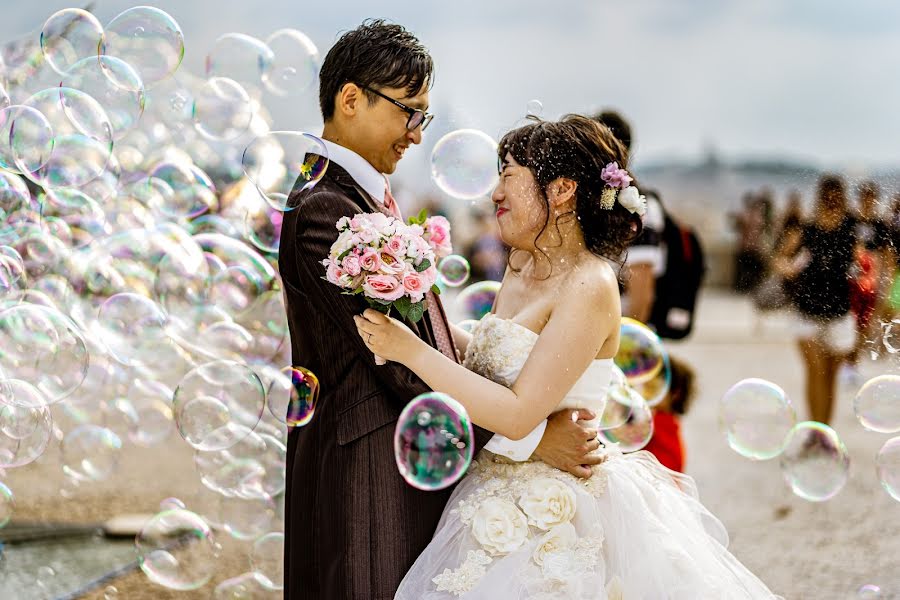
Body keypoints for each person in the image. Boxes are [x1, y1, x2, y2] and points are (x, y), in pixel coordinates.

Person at [357, 115, 780, 598]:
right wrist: (418, 320)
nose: (495, 193)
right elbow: (490, 360)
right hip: (484, 492)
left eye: (509, 175)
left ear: (559, 191)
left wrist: (408, 351)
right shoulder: (520, 264)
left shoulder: (590, 284)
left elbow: (516, 413)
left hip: (553, 512)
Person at [278, 21, 600, 599]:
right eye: (411, 113)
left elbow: (425, 341)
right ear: (351, 100)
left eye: (424, 118)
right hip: (367, 471)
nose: (418, 135)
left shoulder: (356, 198)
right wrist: (524, 442)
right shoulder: (326, 209)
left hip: (401, 459)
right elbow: (399, 361)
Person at [774, 174, 857, 424]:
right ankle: (814, 429)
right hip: (806, 312)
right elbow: (780, 258)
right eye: (828, 199)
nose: (832, 204)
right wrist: (787, 268)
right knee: (815, 370)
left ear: (842, 200)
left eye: (836, 200)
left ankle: (824, 431)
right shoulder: (806, 228)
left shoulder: (851, 229)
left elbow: (867, 260)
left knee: (830, 376)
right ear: (821, 199)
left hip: (839, 313)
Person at [642, 355, 695, 473]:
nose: (643, 391)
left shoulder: (657, 421)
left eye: (652, 387)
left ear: (675, 393)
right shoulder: (670, 422)